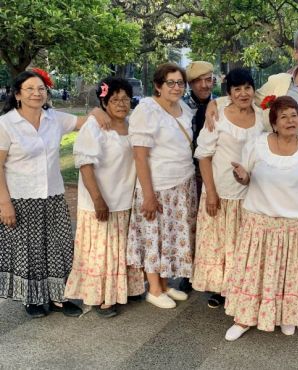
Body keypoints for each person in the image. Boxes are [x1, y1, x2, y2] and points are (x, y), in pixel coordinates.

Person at [224, 96, 298, 341]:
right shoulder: (257, 145)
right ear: (273, 123)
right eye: (283, 116)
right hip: (261, 224)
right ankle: (244, 318)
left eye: (294, 115)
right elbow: (246, 177)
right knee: (255, 275)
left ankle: (287, 316)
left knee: (290, 275)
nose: (290, 120)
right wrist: (241, 176)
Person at [0, 69, 104, 318]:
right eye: (30, 89)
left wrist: (99, 111)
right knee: (29, 251)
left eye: (41, 89)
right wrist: (4, 203)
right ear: (17, 95)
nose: (37, 93)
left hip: (53, 195)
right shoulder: (6, 124)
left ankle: (60, 296)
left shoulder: (54, 119)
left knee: (59, 247)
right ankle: (33, 298)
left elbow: (86, 122)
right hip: (20, 198)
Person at [207, 26, 298, 164]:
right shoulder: (277, 82)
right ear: (296, 53)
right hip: (282, 166)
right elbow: (248, 98)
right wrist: (214, 103)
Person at [64, 77, 144, 317]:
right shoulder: (96, 126)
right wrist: (98, 199)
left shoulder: (133, 125)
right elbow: (85, 164)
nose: (121, 104)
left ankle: (126, 288)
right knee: (102, 253)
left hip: (124, 199)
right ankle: (101, 297)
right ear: (105, 102)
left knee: (121, 249)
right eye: (115, 99)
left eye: (125, 99)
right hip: (101, 201)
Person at [191, 68, 264, 308]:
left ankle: (243, 288)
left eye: (247, 88)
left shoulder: (262, 116)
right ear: (229, 93)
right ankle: (222, 290)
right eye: (237, 89)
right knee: (221, 245)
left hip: (251, 194)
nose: (243, 93)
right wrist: (211, 193)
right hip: (220, 192)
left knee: (244, 244)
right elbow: (203, 156)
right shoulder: (218, 116)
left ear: (254, 90)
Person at [126, 63, 197, 309]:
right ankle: (154, 288)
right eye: (170, 83)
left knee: (171, 236)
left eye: (180, 83)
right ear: (158, 86)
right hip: (157, 185)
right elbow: (140, 156)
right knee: (153, 236)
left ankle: (165, 284)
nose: (176, 87)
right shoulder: (147, 110)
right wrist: (148, 195)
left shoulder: (184, 108)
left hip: (182, 183)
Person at [179, 61, 216, 294]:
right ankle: (187, 272)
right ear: (190, 84)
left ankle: (211, 272)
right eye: (198, 80)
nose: (204, 84)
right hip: (187, 171)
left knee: (211, 223)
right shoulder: (180, 106)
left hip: (212, 171)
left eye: (208, 79)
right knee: (189, 222)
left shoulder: (220, 103)